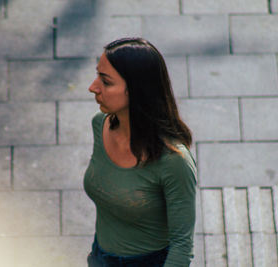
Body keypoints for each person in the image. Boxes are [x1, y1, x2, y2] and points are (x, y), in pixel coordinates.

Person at [84, 37, 197, 267]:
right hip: (100, 256)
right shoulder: (100, 124)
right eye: (98, 76)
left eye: (105, 82)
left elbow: (181, 247)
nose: (93, 87)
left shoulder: (175, 161)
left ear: (137, 91)